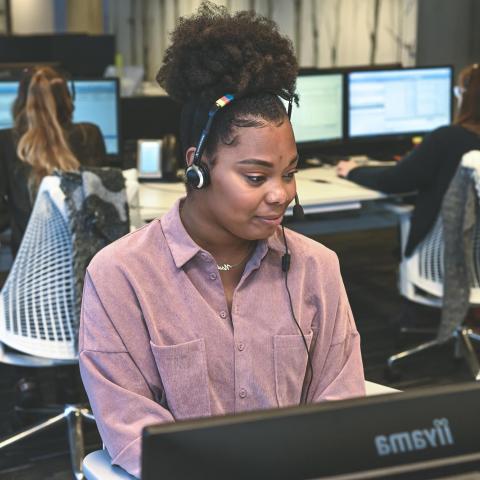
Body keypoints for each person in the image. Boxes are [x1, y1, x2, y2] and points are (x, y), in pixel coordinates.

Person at [79, 3, 365, 477]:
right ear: (198, 166)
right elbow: (132, 430)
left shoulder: (317, 267)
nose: (282, 195)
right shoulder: (121, 275)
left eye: (290, 173)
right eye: (256, 177)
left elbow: (339, 400)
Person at [336, 63, 480, 258]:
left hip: (443, 259)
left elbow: (393, 181)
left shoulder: (447, 139)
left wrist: (354, 171)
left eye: (459, 91)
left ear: (468, 99)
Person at [0, 66, 107, 256]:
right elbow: (105, 206)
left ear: (20, 102)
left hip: (32, 269)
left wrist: (18, 220)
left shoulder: (6, 142)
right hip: (87, 267)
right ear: (68, 100)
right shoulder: (89, 135)